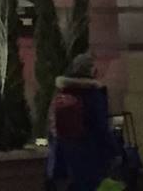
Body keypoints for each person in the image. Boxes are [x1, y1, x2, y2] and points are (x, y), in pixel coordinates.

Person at [47, 52, 121, 191]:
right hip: (89, 157)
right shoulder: (93, 94)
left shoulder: (61, 92)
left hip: (62, 157)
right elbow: (101, 128)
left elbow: (51, 126)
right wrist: (114, 152)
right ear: (92, 71)